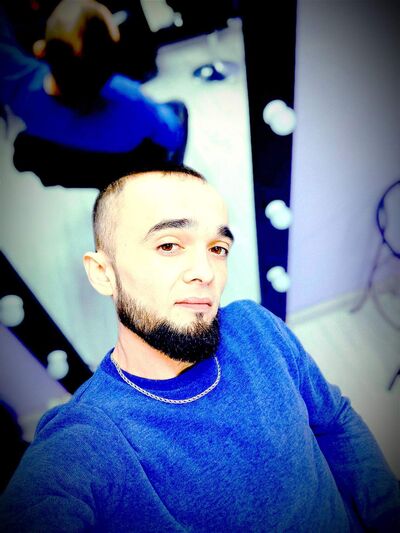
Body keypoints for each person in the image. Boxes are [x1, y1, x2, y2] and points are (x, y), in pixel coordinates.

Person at [1, 164, 399, 531]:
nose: (205, 272)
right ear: (103, 273)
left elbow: (334, 421)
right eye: (169, 245)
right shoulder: (87, 437)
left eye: (217, 248)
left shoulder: (256, 325)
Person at [0, 1, 188, 188]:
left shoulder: (22, 95)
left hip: (79, 165)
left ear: (42, 50)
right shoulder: (130, 100)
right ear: (112, 58)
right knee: (177, 108)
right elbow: (173, 134)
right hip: (127, 162)